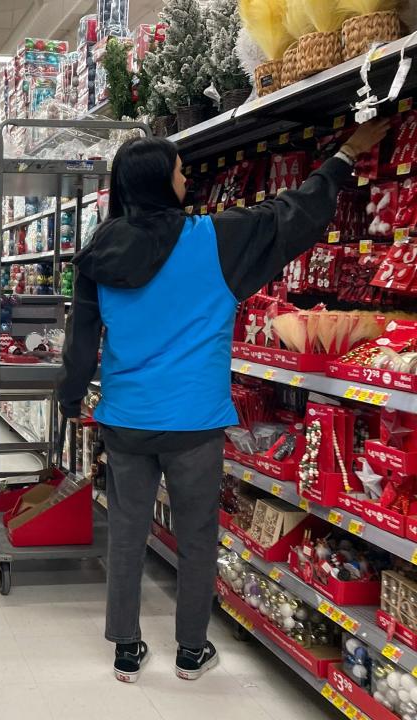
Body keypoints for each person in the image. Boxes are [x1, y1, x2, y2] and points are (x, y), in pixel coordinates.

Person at [57, 120, 390, 684]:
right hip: (194, 420)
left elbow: (81, 342)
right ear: (163, 181)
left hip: (128, 419)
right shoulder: (215, 239)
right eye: (182, 170)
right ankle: (191, 651)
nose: (188, 179)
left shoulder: (98, 255)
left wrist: (69, 398)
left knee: (127, 535)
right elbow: (292, 215)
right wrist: (344, 155)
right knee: (197, 537)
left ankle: (126, 649)